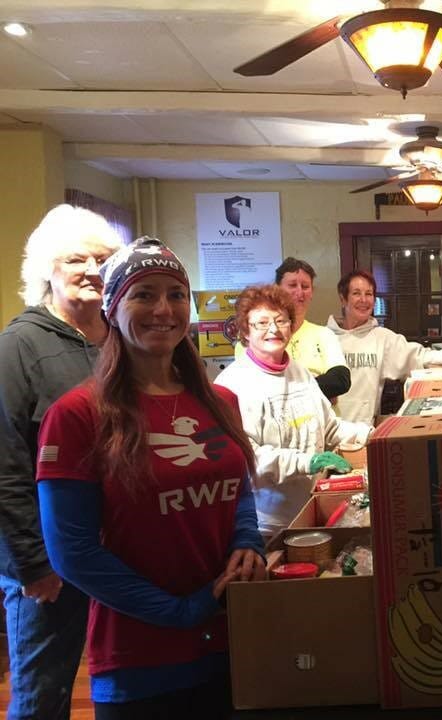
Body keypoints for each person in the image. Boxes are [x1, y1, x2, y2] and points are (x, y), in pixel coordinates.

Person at [35, 237, 266, 718]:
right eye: (144, 294)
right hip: (141, 662)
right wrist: (179, 612)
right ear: (113, 309)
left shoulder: (220, 403)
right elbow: (72, 552)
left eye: (175, 294)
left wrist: (248, 542)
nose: (163, 309)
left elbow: (237, 488)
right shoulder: (77, 414)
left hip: (235, 640)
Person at [0, 204, 121, 720]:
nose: (93, 270)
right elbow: (4, 467)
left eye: (103, 259)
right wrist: (31, 565)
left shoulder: (121, 338)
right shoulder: (17, 348)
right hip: (48, 562)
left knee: (120, 677)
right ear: (47, 268)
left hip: (118, 552)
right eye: (77, 259)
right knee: (43, 695)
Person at [216, 284, 372, 537]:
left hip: (309, 511)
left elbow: (330, 427)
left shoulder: (300, 373)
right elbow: (244, 459)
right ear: (245, 330)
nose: (274, 330)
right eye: (262, 323)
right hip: (263, 525)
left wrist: (371, 434)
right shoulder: (232, 385)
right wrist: (306, 462)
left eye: (281, 321)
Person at [326, 270, 442, 425]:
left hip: (361, 433)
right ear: (343, 299)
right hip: (326, 429)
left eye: (369, 294)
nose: (364, 300)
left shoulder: (382, 338)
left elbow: (417, 356)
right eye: (356, 293)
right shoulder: (324, 337)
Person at [235, 257, 350, 399]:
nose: (299, 292)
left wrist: (285, 393)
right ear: (277, 289)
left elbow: (340, 381)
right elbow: (257, 387)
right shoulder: (254, 337)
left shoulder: (324, 334)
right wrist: (320, 391)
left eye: (305, 286)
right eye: (292, 285)